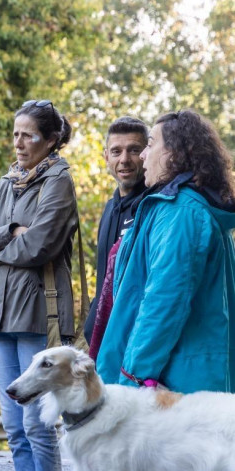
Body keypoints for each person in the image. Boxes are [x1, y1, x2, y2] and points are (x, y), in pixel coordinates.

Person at [96, 110, 235, 394]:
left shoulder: (180, 212)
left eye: (150, 144)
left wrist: (135, 377)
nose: (143, 156)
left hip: (170, 387)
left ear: (173, 153)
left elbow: (164, 300)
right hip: (177, 379)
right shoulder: (178, 207)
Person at [0, 99, 78, 471]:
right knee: (14, 426)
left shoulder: (58, 181)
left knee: (38, 424)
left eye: (28, 136)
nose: (18, 143)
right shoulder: (8, 180)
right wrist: (10, 231)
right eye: (15, 134)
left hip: (40, 312)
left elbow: (39, 246)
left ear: (50, 140)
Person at [84, 117, 148, 359]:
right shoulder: (110, 208)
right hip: (103, 344)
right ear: (106, 158)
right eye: (116, 151)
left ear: (147, 154)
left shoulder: (153, 207)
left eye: (134, 150)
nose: (124, 159)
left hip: (134, 347)